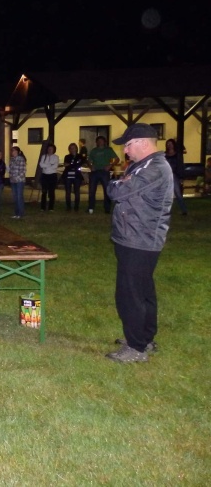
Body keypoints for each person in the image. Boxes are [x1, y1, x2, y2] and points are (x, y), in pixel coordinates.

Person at [105, 124, 173, 363]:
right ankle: (144, 337)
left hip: (139, 240)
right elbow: (124, 186)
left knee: (130, 294)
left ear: (143, 142)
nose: (125, 150)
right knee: (143, 291)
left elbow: (116, 192)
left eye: (128, 144)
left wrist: (118, 182)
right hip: (135, 237)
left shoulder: (154, 168)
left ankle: (136, 348)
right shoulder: (144, 166)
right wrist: (123, 181)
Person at [87, 136, 119, 214]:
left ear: (104, 142)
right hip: (95, 172)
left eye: (101, 140)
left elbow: (117, 159)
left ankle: (107, 208)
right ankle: (91, 207)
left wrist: (110, 165)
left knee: (106, 190)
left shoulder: (108, 150)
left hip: (104, 172)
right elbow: (89, 160)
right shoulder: (94, 150)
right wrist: (91, 166)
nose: (100, 142)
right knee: (91, 190)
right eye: (98, 141)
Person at [163, 139, 188, 216]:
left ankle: (184, 210)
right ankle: (166, 210)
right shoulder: (165, 155)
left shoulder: (177, 155)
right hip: (166, 175)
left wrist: (181, 177)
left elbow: (180, 165)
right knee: (166, 194)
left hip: (174, 175)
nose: (169, 145)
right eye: (168, 144)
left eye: (170, 144)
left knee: (177, 193)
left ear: (174, 145)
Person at [62, 143, 85, 211]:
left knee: (77, 191)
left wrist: (70, 164)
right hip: (67, 175)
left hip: (77, 175)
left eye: (73, 148)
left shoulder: (80, 156)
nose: (72, 149)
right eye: (71, 148)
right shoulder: (67, 156)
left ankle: (76, 207)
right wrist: (74, 164)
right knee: (68, 191)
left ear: (76, 148)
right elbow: (65, 164)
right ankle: (68, 207)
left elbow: (79, 164)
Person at [38, 143, 59, 211]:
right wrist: (49, 165)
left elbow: (55, 166)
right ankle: (43, 207)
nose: (50, 150)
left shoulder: (56, 157)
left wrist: (46, 166)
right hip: (44, 175)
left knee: (51, 192)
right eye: (49, 149)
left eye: (51, 149)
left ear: (54, 150)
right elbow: (41, 164)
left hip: (52, 176)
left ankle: (51, 207)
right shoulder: (44, 156)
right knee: (44, 191)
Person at [8, 146, 26, 219]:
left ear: (18, 152)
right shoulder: (12, 159)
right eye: (12, 151)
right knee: (15, 197)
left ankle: (20, 213)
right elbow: (10, 170)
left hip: (19, 181)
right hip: (13, 181)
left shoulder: (21, 159)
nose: (13, 152)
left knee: (19, 197)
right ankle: (16, 213)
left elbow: (22, 171)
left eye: (15, 151)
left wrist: (16, 178)